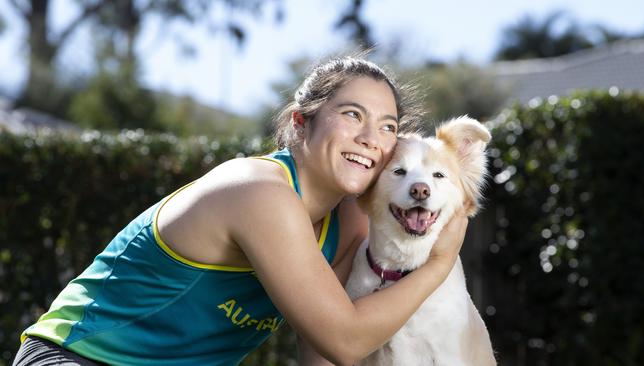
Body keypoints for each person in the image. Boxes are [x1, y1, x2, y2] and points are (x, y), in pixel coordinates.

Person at [13, 56, 469, 366]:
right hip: (75, 357)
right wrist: (439, 264)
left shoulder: (348, 221)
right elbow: (346, 340)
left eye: (388, 126)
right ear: (300, 122)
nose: (372, 137)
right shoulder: (258, 191)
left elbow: (323, 355)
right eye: (352, 115)